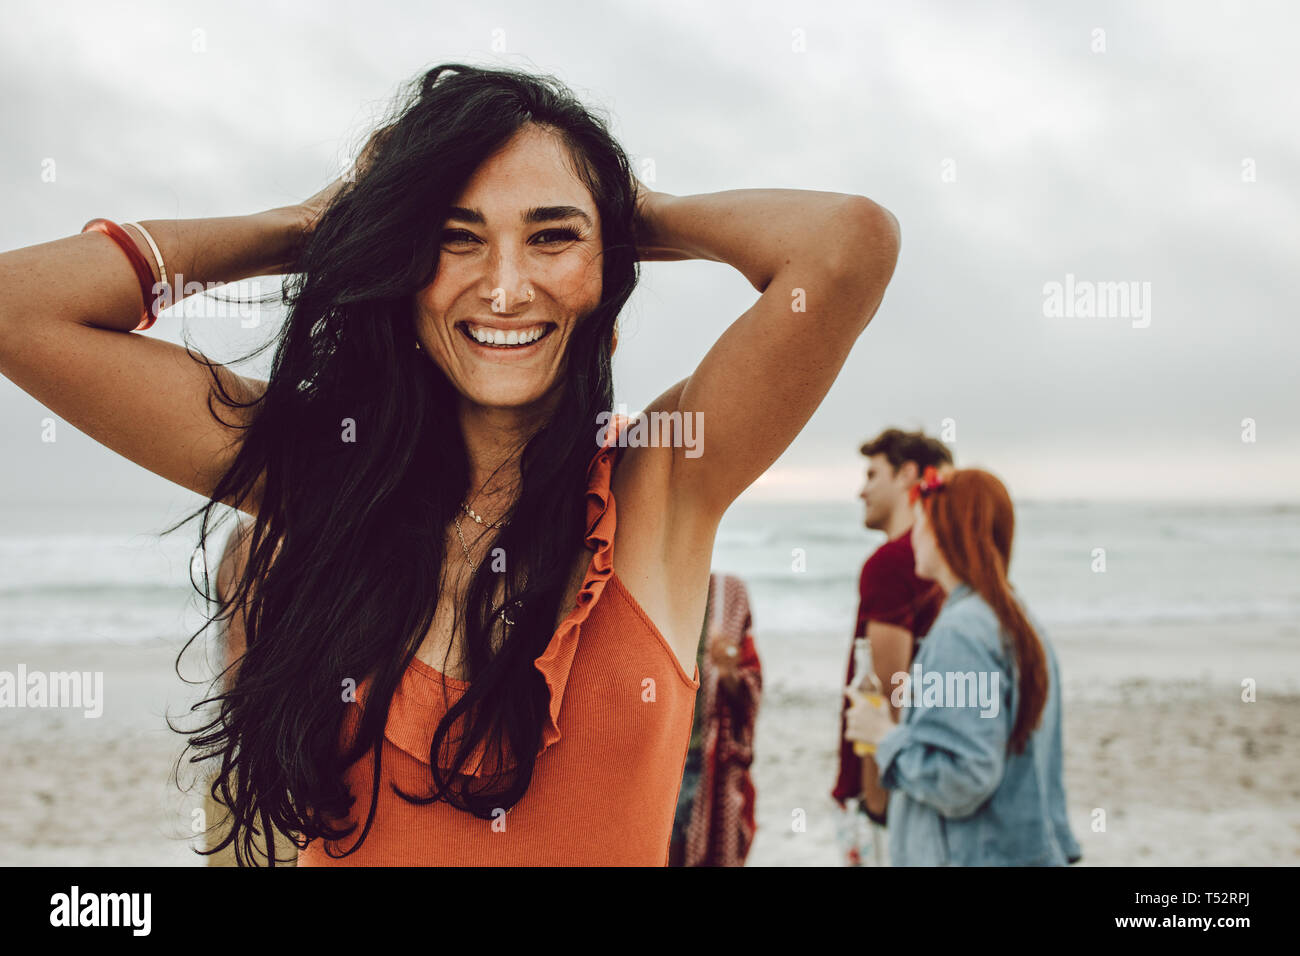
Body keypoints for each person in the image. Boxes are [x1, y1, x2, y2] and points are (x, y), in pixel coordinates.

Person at [0, 63, 902, 865]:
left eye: (551, 238)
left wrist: (615, 210)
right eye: (456, 237)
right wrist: (306, 227)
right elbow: (20, 310)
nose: (506, 286)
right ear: (402, 263)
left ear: (605, 272)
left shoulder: (662, 485)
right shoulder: (325, 477)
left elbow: (847, 243)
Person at [844, 467, 1082, 866]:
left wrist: (883, 736)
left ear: (941, 533)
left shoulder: (963, 632)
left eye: (918, 523)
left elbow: (963, 778)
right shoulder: (1018, 621)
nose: (912, 538)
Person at [832, 428, 952, 862]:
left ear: (907, 475)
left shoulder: (891, 562)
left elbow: (884, 692)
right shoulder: (944, 560)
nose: (861, 491)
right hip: (928, 768)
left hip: (889, 781)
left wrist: (875, 801)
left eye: (872, 475)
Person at [200, 516, 299, 866]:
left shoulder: (249, 536)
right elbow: (239, 657)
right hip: (266, 761)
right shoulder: (258, 540)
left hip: (244, 752)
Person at [668, 573, 761, 867]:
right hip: (659, 756)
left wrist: (728, 670)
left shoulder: (729, 593)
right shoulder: (654, 582)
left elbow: (751, 684)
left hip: (706, 758)